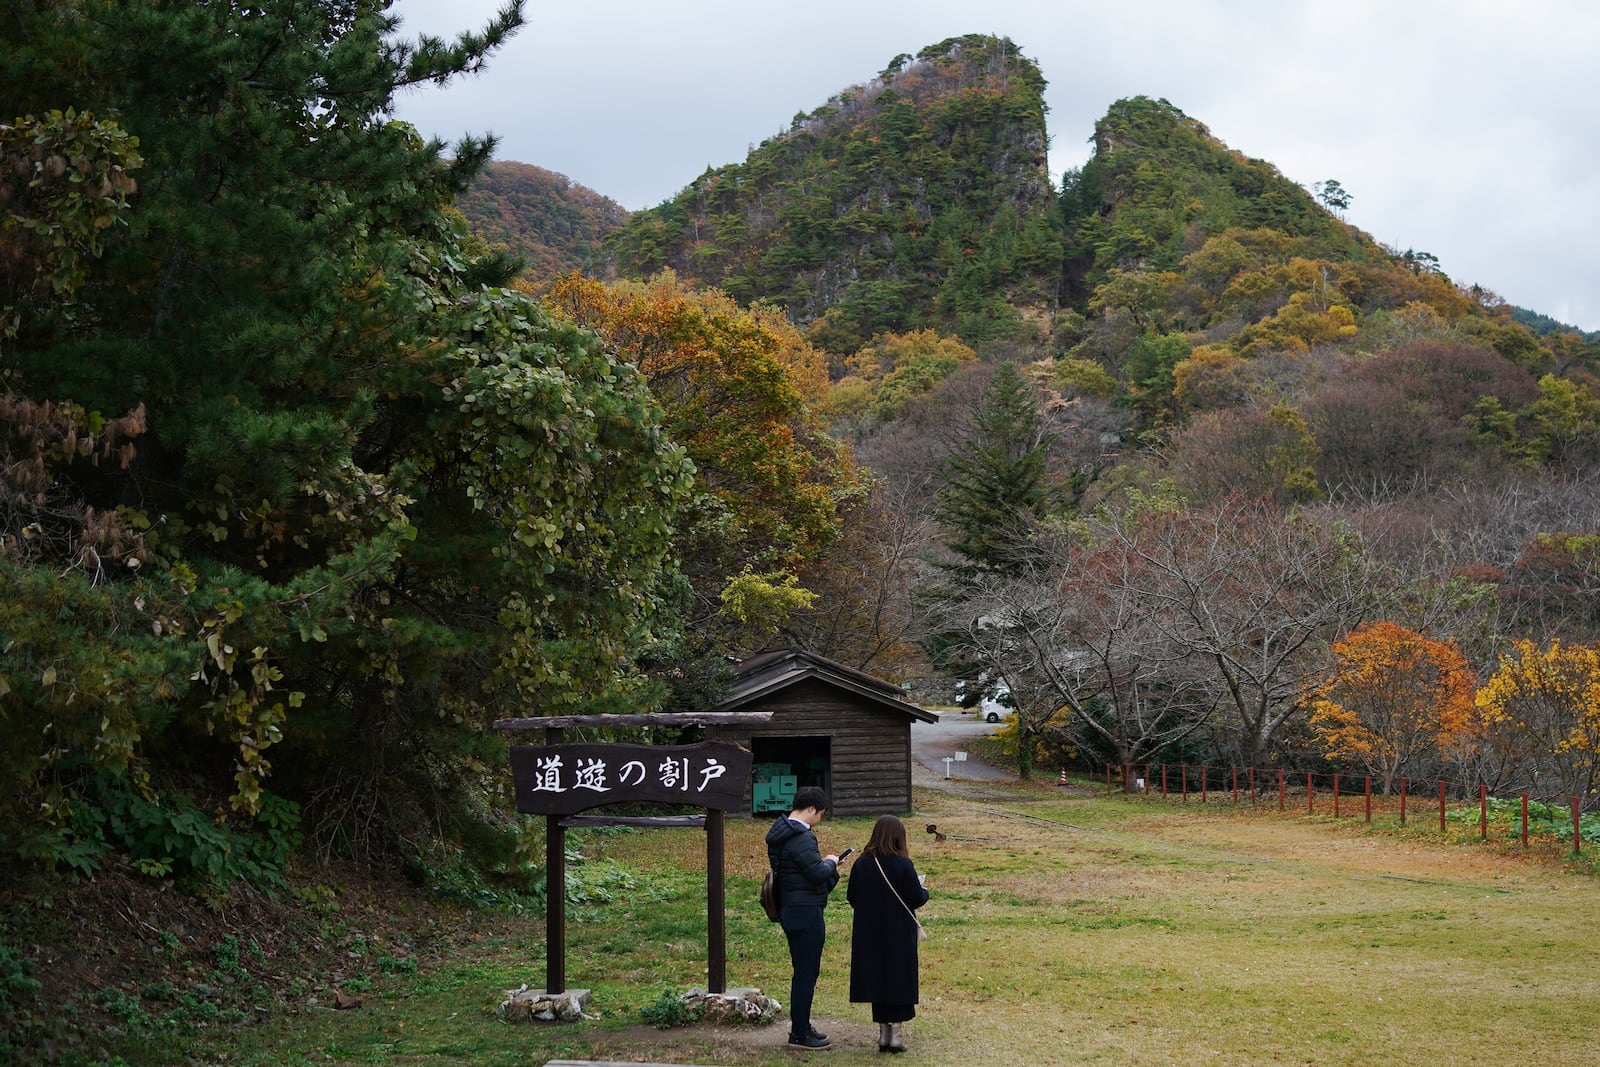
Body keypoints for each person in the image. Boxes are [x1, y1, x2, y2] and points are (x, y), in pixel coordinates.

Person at [765, 786, 843, 1050]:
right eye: (820, 814)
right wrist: (831, 862)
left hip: (790, 907)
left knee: (803, 971)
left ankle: (802, 1025)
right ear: (810, 809)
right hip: (805, 911)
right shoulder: (802, 837)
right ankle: (799, 1033)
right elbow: (816, 874)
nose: (820, 819)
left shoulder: (781, 833)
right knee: (806, 974)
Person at [847, 814, 928, 1054]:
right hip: (898, 932)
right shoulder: (903, 864)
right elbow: (916, 897)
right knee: (898, 979)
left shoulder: (862, 863)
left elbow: (852, 897)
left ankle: (883, 1034)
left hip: (868, 932)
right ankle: (895, 1036)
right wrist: (925, 891)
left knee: (877, 978)